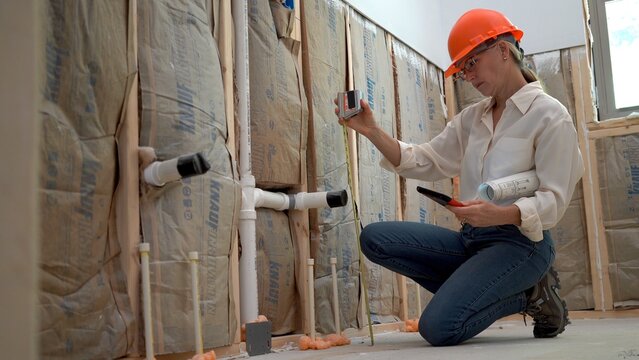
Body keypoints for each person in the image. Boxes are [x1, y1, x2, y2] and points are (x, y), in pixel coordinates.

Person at [335, 8, 584, 346]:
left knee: (438, 328)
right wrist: (371, 131)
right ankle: (482, 286)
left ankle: (530, 294)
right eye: (462, 69)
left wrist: (501, 214)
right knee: (376, 239)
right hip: (471, 240)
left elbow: (554, 201)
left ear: (502, 50)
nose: (467, 75)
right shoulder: (472, 118)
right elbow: (423, 160)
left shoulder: (550, 116)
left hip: (521, 244)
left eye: (471, 63)